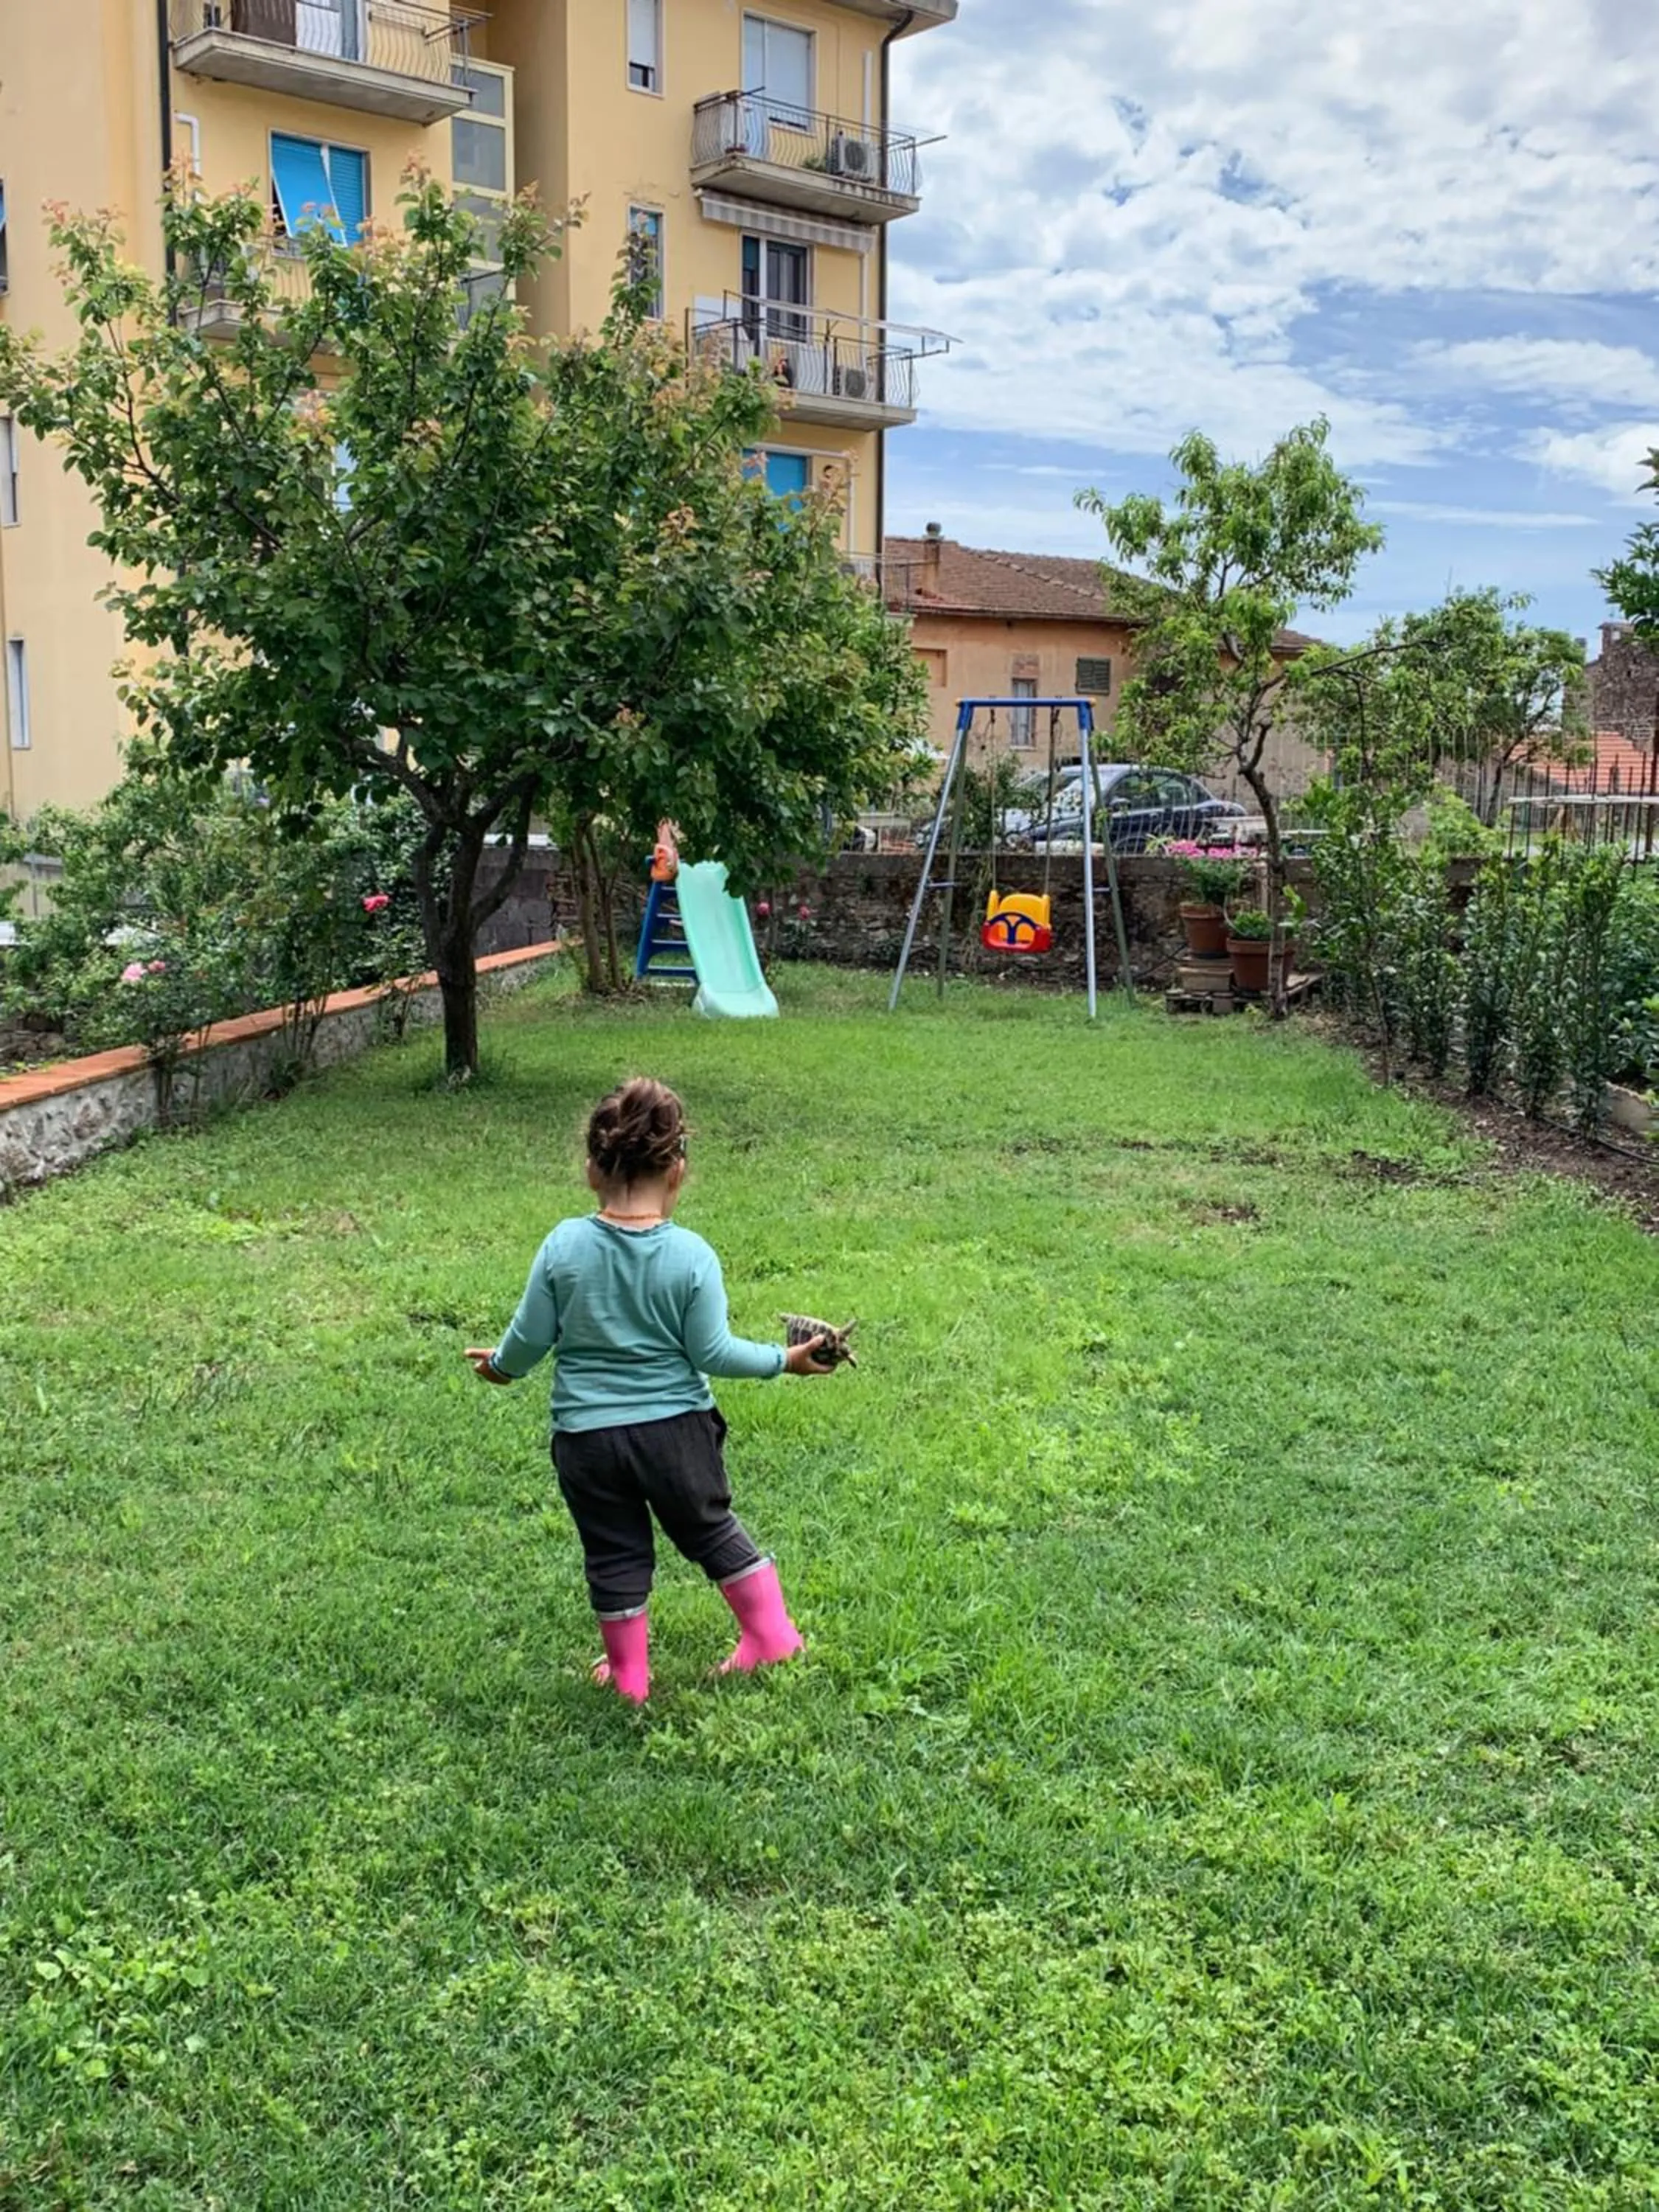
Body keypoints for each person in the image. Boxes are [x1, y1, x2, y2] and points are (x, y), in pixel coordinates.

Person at [465, 1077, 834, 1705]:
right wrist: (785, 1360)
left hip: (588, 1441)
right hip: (677, 1436)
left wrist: (499, 1366)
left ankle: (631, 1677)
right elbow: (712, 1353)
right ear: (678, 1172)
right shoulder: (692, 1256)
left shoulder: (564, 1246)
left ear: (590, 1171)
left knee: (613, 1550)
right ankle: (772, 1636)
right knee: (710, 1529)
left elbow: (529, 1338)